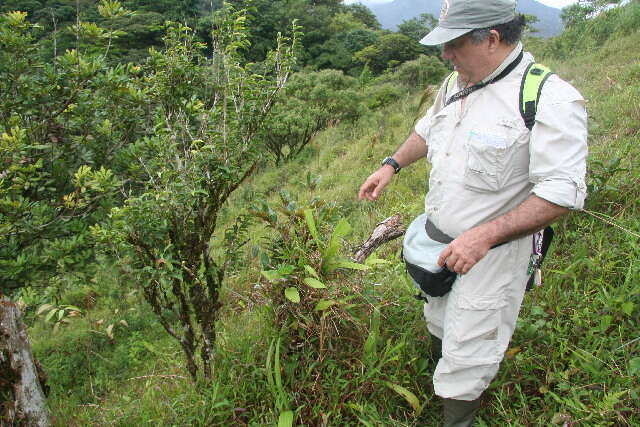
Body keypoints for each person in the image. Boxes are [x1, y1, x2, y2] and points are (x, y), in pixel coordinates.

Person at [358, 0, 588, 425]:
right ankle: (437, 381)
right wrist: (390, 165)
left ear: (492, 39)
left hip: (492, 254)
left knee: (471, 348)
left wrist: (482, 237)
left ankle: (456, 415)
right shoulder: (456, 83)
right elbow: (428, 129)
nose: (446, 55)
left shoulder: (548, 99)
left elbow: (562, 192)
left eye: (455, 45)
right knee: (439, 317)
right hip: (441, 243)